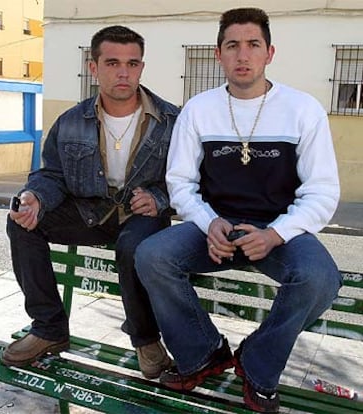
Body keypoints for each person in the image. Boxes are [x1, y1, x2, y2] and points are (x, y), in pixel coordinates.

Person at [135, 7, 342, 413]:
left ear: (270, 52)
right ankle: (204, 352)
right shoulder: (199, 108)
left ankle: (257, 362)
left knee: (320, 279)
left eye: (253, 45)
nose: (243, 55)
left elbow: (322, 192)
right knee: (152, 255)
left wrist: (276, 234)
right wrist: (209, 223)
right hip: (214, 225)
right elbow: (180, 183)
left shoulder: (303, 109)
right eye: (233, 46)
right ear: (219, 54)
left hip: (279, 229)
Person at [2, 25, 179, 380]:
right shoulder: (70, 122)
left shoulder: (173, 120)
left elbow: (189, 178)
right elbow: (51, 174)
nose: (123, 72)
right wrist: (35, 197)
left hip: (142, 217)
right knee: (20, 222)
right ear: (94, 67)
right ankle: (48, 327)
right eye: (112, 63)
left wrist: (160, 198)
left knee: (132, 247)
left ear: (142, 67)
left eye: (132, 63)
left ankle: (146, 340)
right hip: (90, 213)